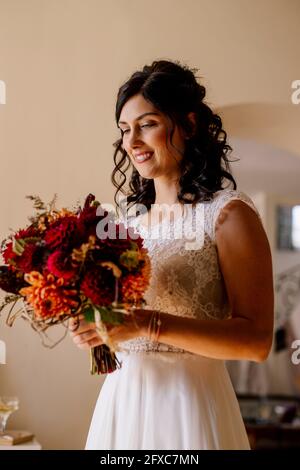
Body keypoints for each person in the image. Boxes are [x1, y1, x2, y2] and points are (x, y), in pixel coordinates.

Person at [69, 59, 274, 450]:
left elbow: (257, 341)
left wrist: (149, 325)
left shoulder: (228, 214)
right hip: (123, 402)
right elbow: (122, 324)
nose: (131, 142)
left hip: (189, 408)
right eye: (125, 130)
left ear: (190, 125)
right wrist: (98, 330)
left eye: (147, 124)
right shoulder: (126, 224)